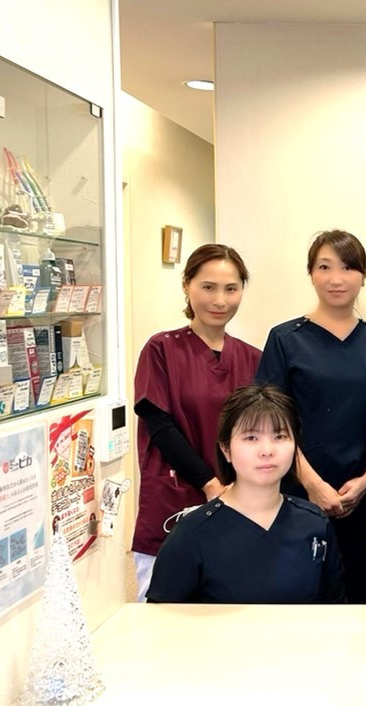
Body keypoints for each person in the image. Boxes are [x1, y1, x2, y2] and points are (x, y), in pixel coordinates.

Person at [255, 230, 366, 603]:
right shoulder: (285, 339)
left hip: (359, 500)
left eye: (347, 268)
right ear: (310, 273)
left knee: (353, 596)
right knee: (295, 597)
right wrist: (312, 484)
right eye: (325, 267)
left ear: (363, 274)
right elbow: (271, 421)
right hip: (296, 493)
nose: (336, 278)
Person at [132, 244, 261, 600]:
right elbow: (160, 426)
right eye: (208, 287)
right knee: (165, 611)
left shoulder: (253, 358)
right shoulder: (161, 349)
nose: (220, 300)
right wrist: (210, 484)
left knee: (230, 609)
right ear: (186, 285)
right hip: (176, 498)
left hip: (239, 501)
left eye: (231, 289)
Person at [147, 384, 345, 603]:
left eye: (280, 436)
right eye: (251, 437)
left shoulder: (315, 524)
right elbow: (159, 617)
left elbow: (335, 610)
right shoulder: (192, 533)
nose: (267, 450)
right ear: (226, 449)